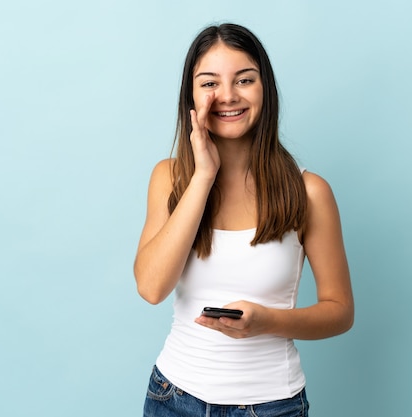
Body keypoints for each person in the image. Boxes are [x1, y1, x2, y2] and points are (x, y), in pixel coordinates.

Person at [134, 23, 353, 417]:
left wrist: (267, 320)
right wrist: (202, 176)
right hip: (172, 398)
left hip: (271, 405)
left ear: (264, 88)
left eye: (244, 80)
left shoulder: (309, 193)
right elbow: (151, 288)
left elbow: (339, 311)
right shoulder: (170, 178)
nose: (228, 96)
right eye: (209, 83)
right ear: (191, 96)